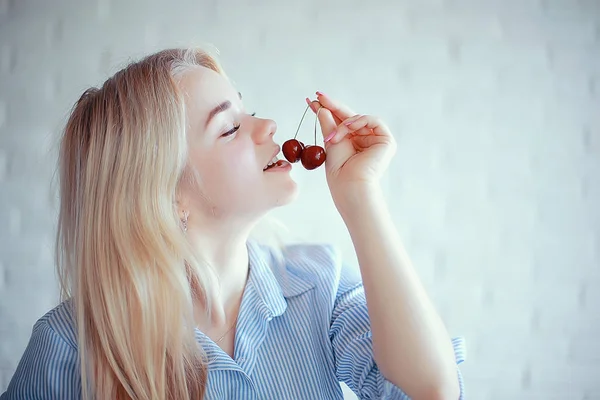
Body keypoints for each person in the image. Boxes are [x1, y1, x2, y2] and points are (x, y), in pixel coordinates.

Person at [0, 48, 465, 400]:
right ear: (167, 193)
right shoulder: (68, 346)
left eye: (246, 109)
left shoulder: (317, 285)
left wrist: (361, 198)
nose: (266, 126)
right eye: (229, 127)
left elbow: (433, 388)